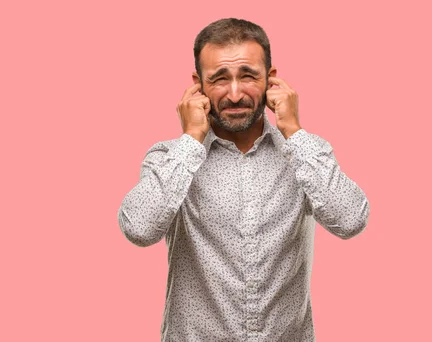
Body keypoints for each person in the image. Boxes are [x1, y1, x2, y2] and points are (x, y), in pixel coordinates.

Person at [117, 17, 370, 342]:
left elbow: (351, 220)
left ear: (271, 80)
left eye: (248, 76)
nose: (235, 94)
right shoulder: (170, 158)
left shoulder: (305, 154)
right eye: (219, 78)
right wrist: (192, 137)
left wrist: (293, 130)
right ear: (198, 85)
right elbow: (138, 228)